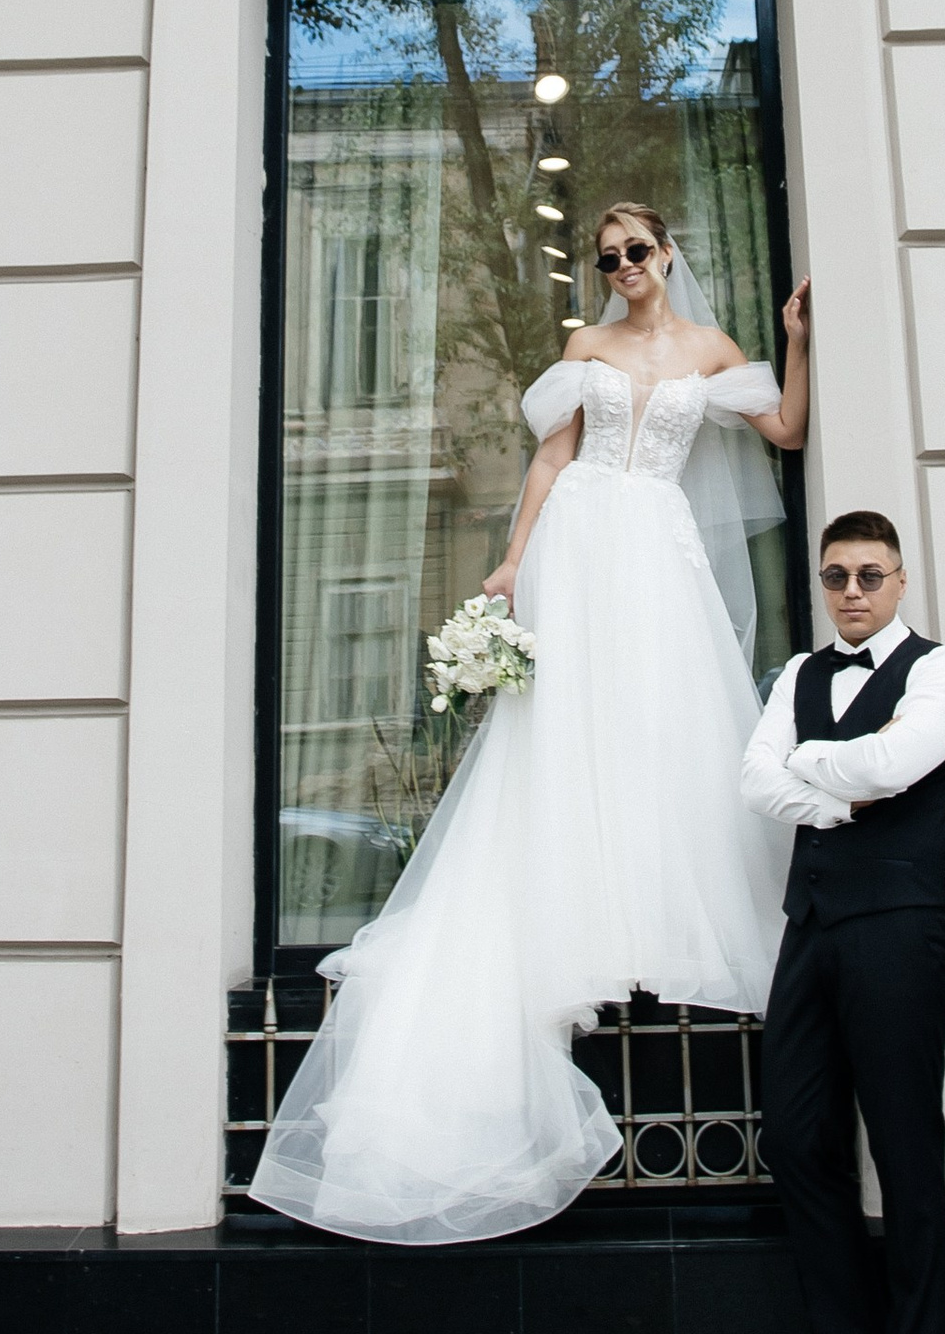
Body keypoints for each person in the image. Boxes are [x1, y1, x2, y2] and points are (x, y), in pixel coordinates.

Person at [250, 202, 812, 1246]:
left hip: (657, 543)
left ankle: (652, 911)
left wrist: (794, 341)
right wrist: (514, 560)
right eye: (607, 258)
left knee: (664, 722)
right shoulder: (582, 346)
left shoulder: (710, 348)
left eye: (638, 251)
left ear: (668, 254)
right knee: (564, 727)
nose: (624, 267)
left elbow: (783, 431)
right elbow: (552, 460)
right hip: (585, 536)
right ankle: (573, 911)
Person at [742, 511, 945, 1334]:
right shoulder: (797, 677)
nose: (851, 591)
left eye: (868, 575)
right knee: (798, 1138)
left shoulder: (943, 672)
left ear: (898, 580)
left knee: (903, 1148)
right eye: (836, 575)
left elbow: (898, 763)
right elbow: (757, 782)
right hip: (813, 924)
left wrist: (820, 765)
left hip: (900, 925)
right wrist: (834, 788)